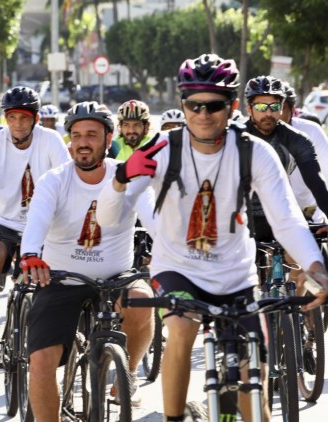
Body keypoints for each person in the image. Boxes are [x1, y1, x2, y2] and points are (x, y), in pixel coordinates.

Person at [96, 53, 328, 422]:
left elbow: (286, 221)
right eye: (194, 105)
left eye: (214, 105)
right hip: (178, 270)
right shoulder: (161, 151)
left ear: (233, 106)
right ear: (182, 105)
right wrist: (120, 181)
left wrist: (316, 266)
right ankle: (173, 417)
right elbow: (110, 218)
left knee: (258, 400)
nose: (203, 114)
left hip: (236, 277)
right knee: (184, 327)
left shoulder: (256, 153)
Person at [21, 102, 156, 418]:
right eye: (77, 134)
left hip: (116, 277)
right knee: (41, 362)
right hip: (61, 280)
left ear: (109, 139)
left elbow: (154, 219)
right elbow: (37, 220)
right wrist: (30, 254)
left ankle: (130, 371)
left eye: (92, 135)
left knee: (143, 299)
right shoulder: (54, 180)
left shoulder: (127, 176)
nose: (83, 142)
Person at [0, 86, 71, 353]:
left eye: (24, 118)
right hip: (3, 219)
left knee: (57, 276)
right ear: (5, 119)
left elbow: (67, 178)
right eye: (12, 117)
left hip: (44, 221)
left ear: (35, 119)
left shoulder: (50, 140)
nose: (17, 124)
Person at [243, 75, 328, 241]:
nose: (268, 113)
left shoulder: (298, 140)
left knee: (317, 262)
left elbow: (316, 182)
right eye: (261, 107)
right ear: (249, 108)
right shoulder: (234, 136)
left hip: (283, 215)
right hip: (243, 217)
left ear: (282, 107)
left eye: (274, 106)